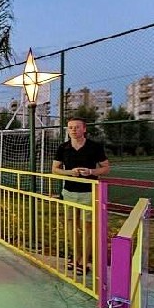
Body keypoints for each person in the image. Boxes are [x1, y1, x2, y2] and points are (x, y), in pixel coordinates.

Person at [52, 117, 111, 273]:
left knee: (87, 227)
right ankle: (76, 256)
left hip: (89, 193)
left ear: (84, 129)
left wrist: (91, 171)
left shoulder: (94, 147)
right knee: (71, 225)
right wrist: (70, 173)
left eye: (77, 127)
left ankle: (85, 260)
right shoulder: (63, 147)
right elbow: (55, 169)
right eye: (70, 127)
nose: (73, 130)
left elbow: (106, 168)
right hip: (69, 192)